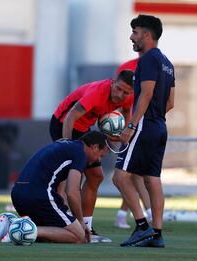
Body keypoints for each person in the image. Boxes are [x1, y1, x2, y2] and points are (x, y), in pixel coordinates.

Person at [112, 14, 175, 247]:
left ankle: (141, 226)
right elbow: (170, 102)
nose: (132, 37)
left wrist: (131, 125)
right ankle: (156, 234)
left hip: (144, 125)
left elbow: (146, 94)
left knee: (120, 177)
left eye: (135, 32)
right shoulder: (167, 63)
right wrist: (155, 119)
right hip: (159, 126)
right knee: (152, 179)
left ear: (147, 35)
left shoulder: (148, 60)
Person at [50, 70, 134, 242]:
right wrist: (67, 145)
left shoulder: (125, 98)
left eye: (126, 92)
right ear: (112, 83)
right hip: (63, 124)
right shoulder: (96, 93)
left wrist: (120, 132)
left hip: (83, 129)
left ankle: (87, 228)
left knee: (96, 176)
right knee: (66, 179)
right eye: (118, 89)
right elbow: (71, 116)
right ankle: (62, 222)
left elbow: (124, 111)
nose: (120, 95)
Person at [10, 131, 109, 243]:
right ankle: (22, 231)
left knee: (54, 235)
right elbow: (72, 191)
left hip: (18, 194)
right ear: (94, 147)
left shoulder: (66, 145)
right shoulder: (80, 153)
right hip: (38, 196)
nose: (99, 160)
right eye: (101, 156)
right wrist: (80, 221)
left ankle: (9, 224)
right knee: (79, 236)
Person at [114, 57, 152, 229]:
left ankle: (133, 215)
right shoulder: (126, 67)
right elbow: (120, 100)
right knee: (128, 174)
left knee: (136, 174)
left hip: (146, 126)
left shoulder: (157, 66)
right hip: (132, 127)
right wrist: (124, 126)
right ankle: (146, 215)